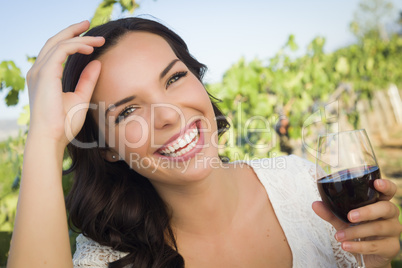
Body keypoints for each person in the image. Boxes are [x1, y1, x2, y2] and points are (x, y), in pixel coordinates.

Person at [7, 17, 401, 268]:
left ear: (199, 79)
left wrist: (375, 259)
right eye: (127, 111)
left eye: (174, 78)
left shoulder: (302, 186)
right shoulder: (110, 260)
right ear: (107, 148)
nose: (168, 116)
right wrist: (44, 135)